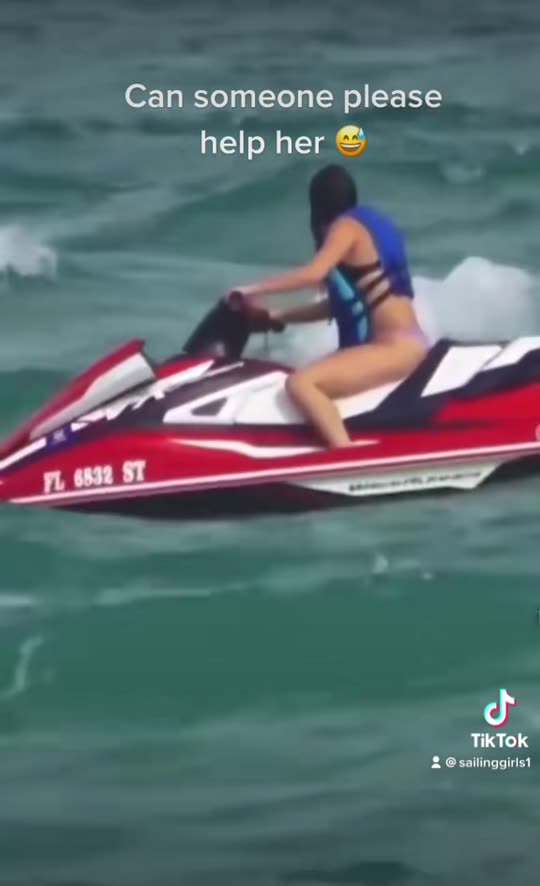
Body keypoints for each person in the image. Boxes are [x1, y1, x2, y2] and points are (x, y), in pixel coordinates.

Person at [225, 164, 427, 447]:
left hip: (393, 349)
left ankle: (346, 456)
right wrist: (276, 315)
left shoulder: (345, 227)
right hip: (406, 343)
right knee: (310, 373)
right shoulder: (373, 226)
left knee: (302, 383)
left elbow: (313, 273)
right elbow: (340, 306)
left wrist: (249, 289)